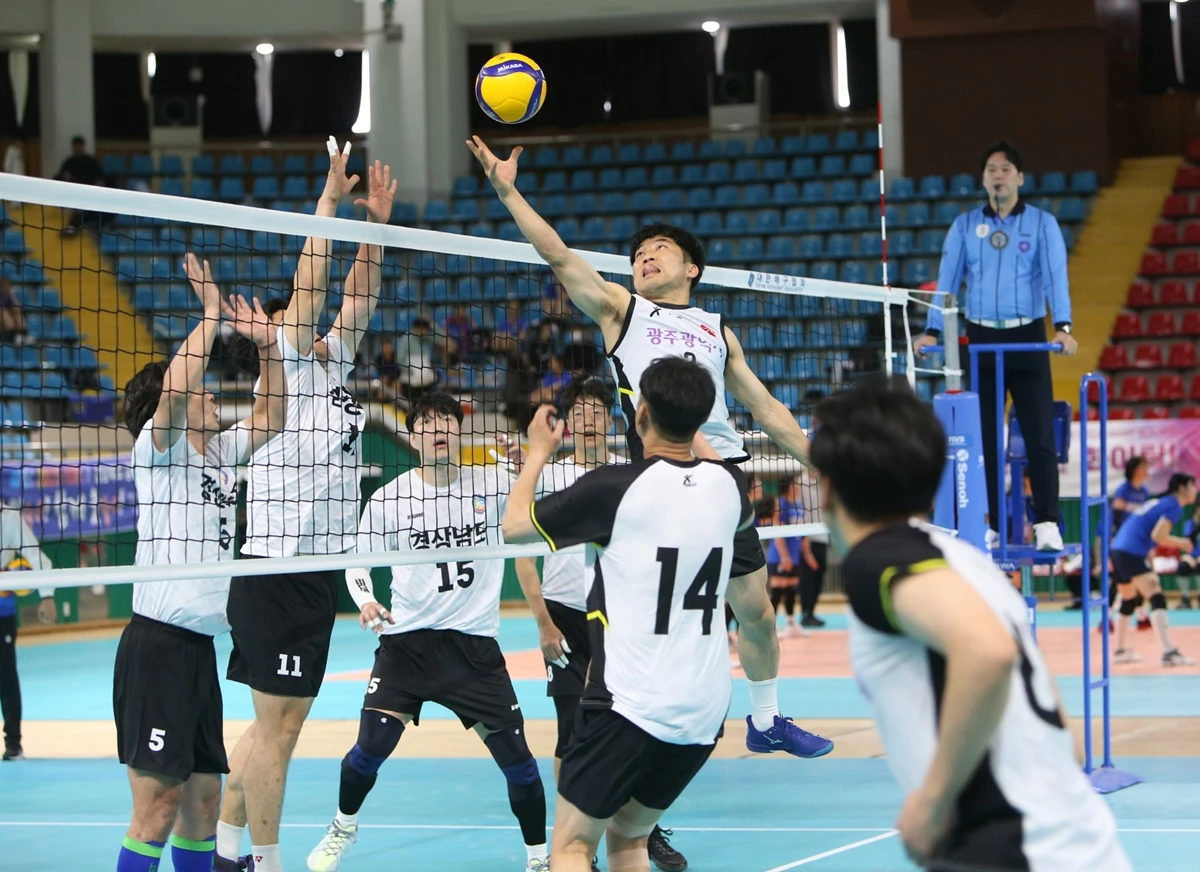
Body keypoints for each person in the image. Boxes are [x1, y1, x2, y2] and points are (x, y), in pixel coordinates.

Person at [469, 137, 833, 771]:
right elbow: (557, 255)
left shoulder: (717, 330)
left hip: (727, 479)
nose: (644, 257)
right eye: (638, 253)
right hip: (664, 474)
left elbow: (768, 408)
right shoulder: (622, 311)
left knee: (756, 611)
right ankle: (633, 724)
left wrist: (821, 463)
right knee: (659, 613)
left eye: (659, 249)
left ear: (691, 268)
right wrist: (507, 190)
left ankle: (766, 720)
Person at [812, 375, 1132, 871]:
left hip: (1010, 850)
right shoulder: (968, 563)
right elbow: (1066, 739)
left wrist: (932, 801)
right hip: (1080, 842)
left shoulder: (877, 562)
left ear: (828, 489)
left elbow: (988, 652)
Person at [502, 357, 777, 872]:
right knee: (628, 838)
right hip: (704, 712)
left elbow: (514, 527)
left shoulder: (612, 487)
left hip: (630, 704)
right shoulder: (730, 490)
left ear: (640, 412)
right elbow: (711, 467)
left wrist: (537, 453)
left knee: (572, 847)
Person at [216, 147, 396, 872]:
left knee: (274, 728)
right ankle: (264, 861)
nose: (316, 321)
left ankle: (222, 852)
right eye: (299, 314)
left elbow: (360, 294)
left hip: (314, 570)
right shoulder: (288, 359)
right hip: (275, 564)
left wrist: (375, 228)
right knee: (279, 731)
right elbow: (315, 281)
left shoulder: (333, 365)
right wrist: (326, 206)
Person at [306, 391, 549, 872]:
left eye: (447, 423)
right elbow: (358, 564)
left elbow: (544, 504)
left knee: (520, 764)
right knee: (367, 752)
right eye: (427, 425)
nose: (439, 431)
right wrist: (366, 599)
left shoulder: (493, 483)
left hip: (474, 648)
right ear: (413, 437)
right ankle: (343, 827)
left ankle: (539, 859)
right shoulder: (389, 498)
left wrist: (528, 469)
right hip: (407, 647)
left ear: (459, 432)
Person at [115, 253, 285, 872]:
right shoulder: (157, 451)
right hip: (157, 649)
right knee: (158, 809)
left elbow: (273, 416)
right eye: (199, 390)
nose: (211, 393)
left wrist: (269, 347)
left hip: (198, 653)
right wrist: (211, 313)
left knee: (204, 804)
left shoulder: (217, 452)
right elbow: (177, 386)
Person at [914, 140, 1076, 554]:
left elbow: (1056, 277)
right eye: (991, 170)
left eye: (1005, 169)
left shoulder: (1042, 224)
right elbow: (947, 282)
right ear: (983, 179)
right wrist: (932, 330)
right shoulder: (965, 226)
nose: (997, 176)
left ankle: (1046, 522)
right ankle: (987, 525)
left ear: (1019, 177)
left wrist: (1062, 326)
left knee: (1039, 436)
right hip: (982, 340)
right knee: (982, 441)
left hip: (1028, 338)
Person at [513, 378, 619, 872]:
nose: (589, 419)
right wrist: (543, 623)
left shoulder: (629, 475)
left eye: (598, 410)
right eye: (580, 411)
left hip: (620, 616)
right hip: (564, 619)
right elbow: (524, 557)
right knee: (570, 732)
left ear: (611, 420)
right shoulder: (548, 476)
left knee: (631, 730)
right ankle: (574, 845)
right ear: (568, 423)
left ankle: (641, 831)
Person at [1108, 473, 1197, 666]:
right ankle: (1169, 653)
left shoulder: (1160, 502)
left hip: (1118, 550)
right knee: (1157, 597)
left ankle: (1120, 651)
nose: (1195, 490)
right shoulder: (1173, 505)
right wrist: (1181, 543)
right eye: (1193, 486)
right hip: (1130, 552)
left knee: (1129, 600)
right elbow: (1158, 536)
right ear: (1182, 488)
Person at [0, 502, 56, 761]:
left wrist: (47, 595)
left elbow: (36, 556)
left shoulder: (7, 517)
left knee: (5, 676)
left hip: (2, 610)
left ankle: (13, 743)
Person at [54, 136, 107, 234]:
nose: (77, 148)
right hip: (74, 192)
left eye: (79, 146)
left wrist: (98, 184)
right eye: (75, 146)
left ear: (83, 146)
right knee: (80, 209)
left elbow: (100, 177)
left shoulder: (91, 161)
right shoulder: (69, 162)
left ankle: (74, 226)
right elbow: (59, 177)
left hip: (90, 192)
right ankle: (73, 226)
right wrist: (65, 176)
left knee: (86, 211)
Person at [393, 317, 439, 399]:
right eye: (422, 329)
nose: (424, 332)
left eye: (426, 330)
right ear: (416, 328)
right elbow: (400, 360)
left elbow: (441, 340)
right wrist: (412, 372)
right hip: (410, 380)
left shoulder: (427, 338)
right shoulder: (406, 339)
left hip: (426, 379)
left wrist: (433, 324)